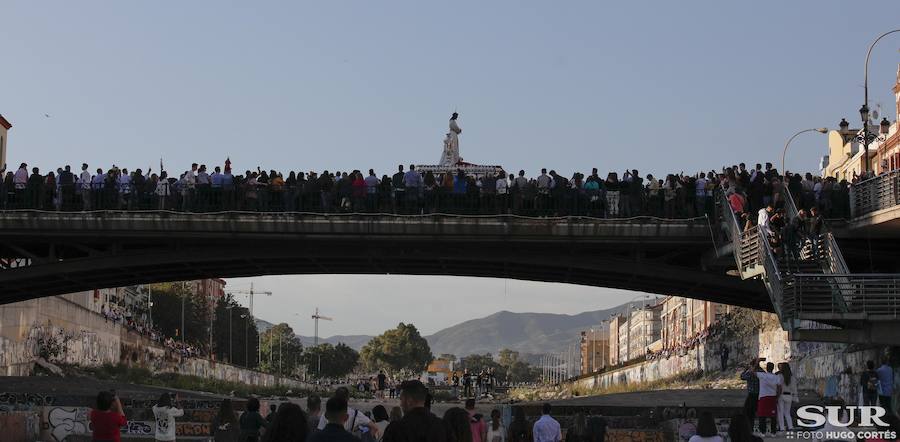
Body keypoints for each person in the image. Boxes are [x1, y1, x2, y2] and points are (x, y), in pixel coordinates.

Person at [382, 380, 447, 442]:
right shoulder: (442, 426)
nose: (401, 404)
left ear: (409, 401)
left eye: (401, 400)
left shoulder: (395, 429)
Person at [754, 362, 781, 437]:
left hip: (763, 397)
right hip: (772, 397)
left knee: (762, 415)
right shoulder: (776, 377)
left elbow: (753, 372)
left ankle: (763, 432)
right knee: (773, 416)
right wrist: (777, 397)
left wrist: (757, 362)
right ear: (773, 368)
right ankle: (773, 432)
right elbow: (779, 388)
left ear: (766, 368)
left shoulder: (762, 375)